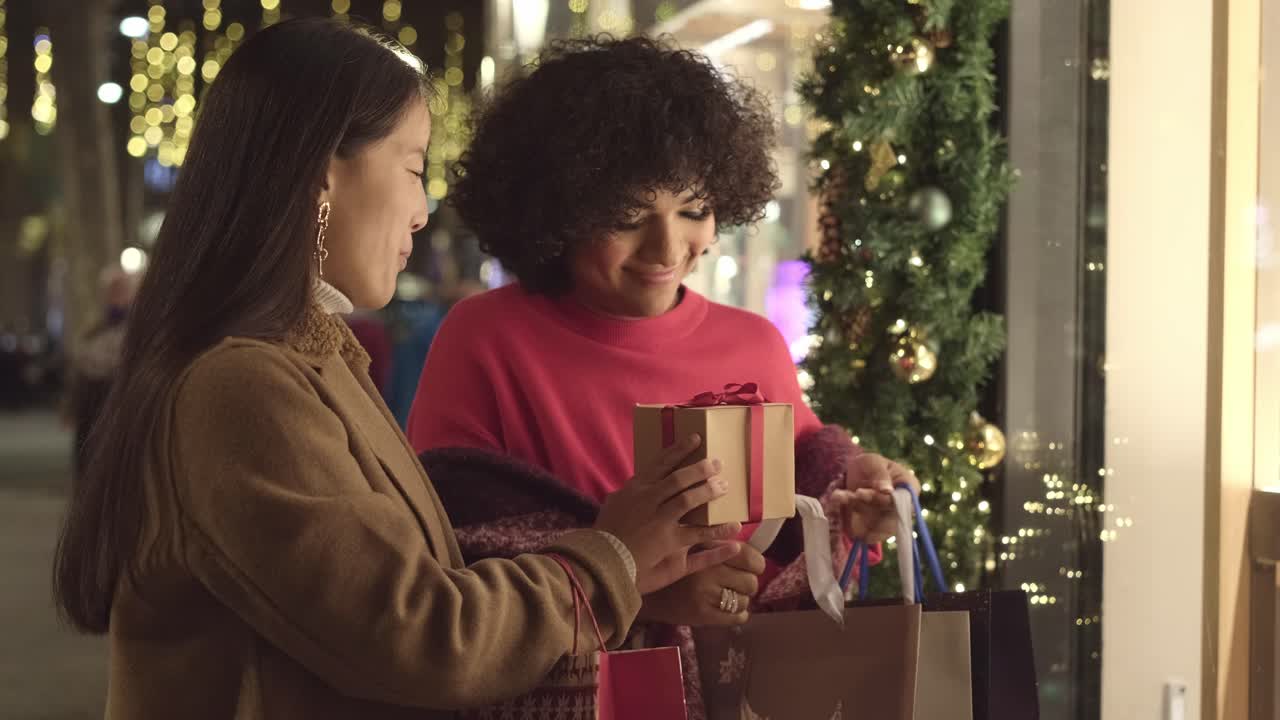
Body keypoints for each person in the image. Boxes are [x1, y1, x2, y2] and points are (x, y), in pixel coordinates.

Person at [51, 20, 744, 720]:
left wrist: (634, 586)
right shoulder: (242, 387)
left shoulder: (315, 362)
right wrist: (611, 558)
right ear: (323, 173)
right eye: (414, 168)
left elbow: (410, 595)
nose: (421, 213)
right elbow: (421, 637)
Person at [406, 36, 919, 717]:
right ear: (559, 211)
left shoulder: (754, 345)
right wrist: (637, 589)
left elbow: (800, 514)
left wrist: (857, 495)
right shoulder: (484, 339)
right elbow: (451, 559)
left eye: (693, 210)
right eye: (626, 216)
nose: (667, 247)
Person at [63, 265, 139, 476]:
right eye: (112, 290)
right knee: (87, 458)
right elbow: (80, 369)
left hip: (117, 400)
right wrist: (71, 404)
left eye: (121, 290)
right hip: (90, 401)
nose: (116, 295)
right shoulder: (94, 328)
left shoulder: (137, 328)